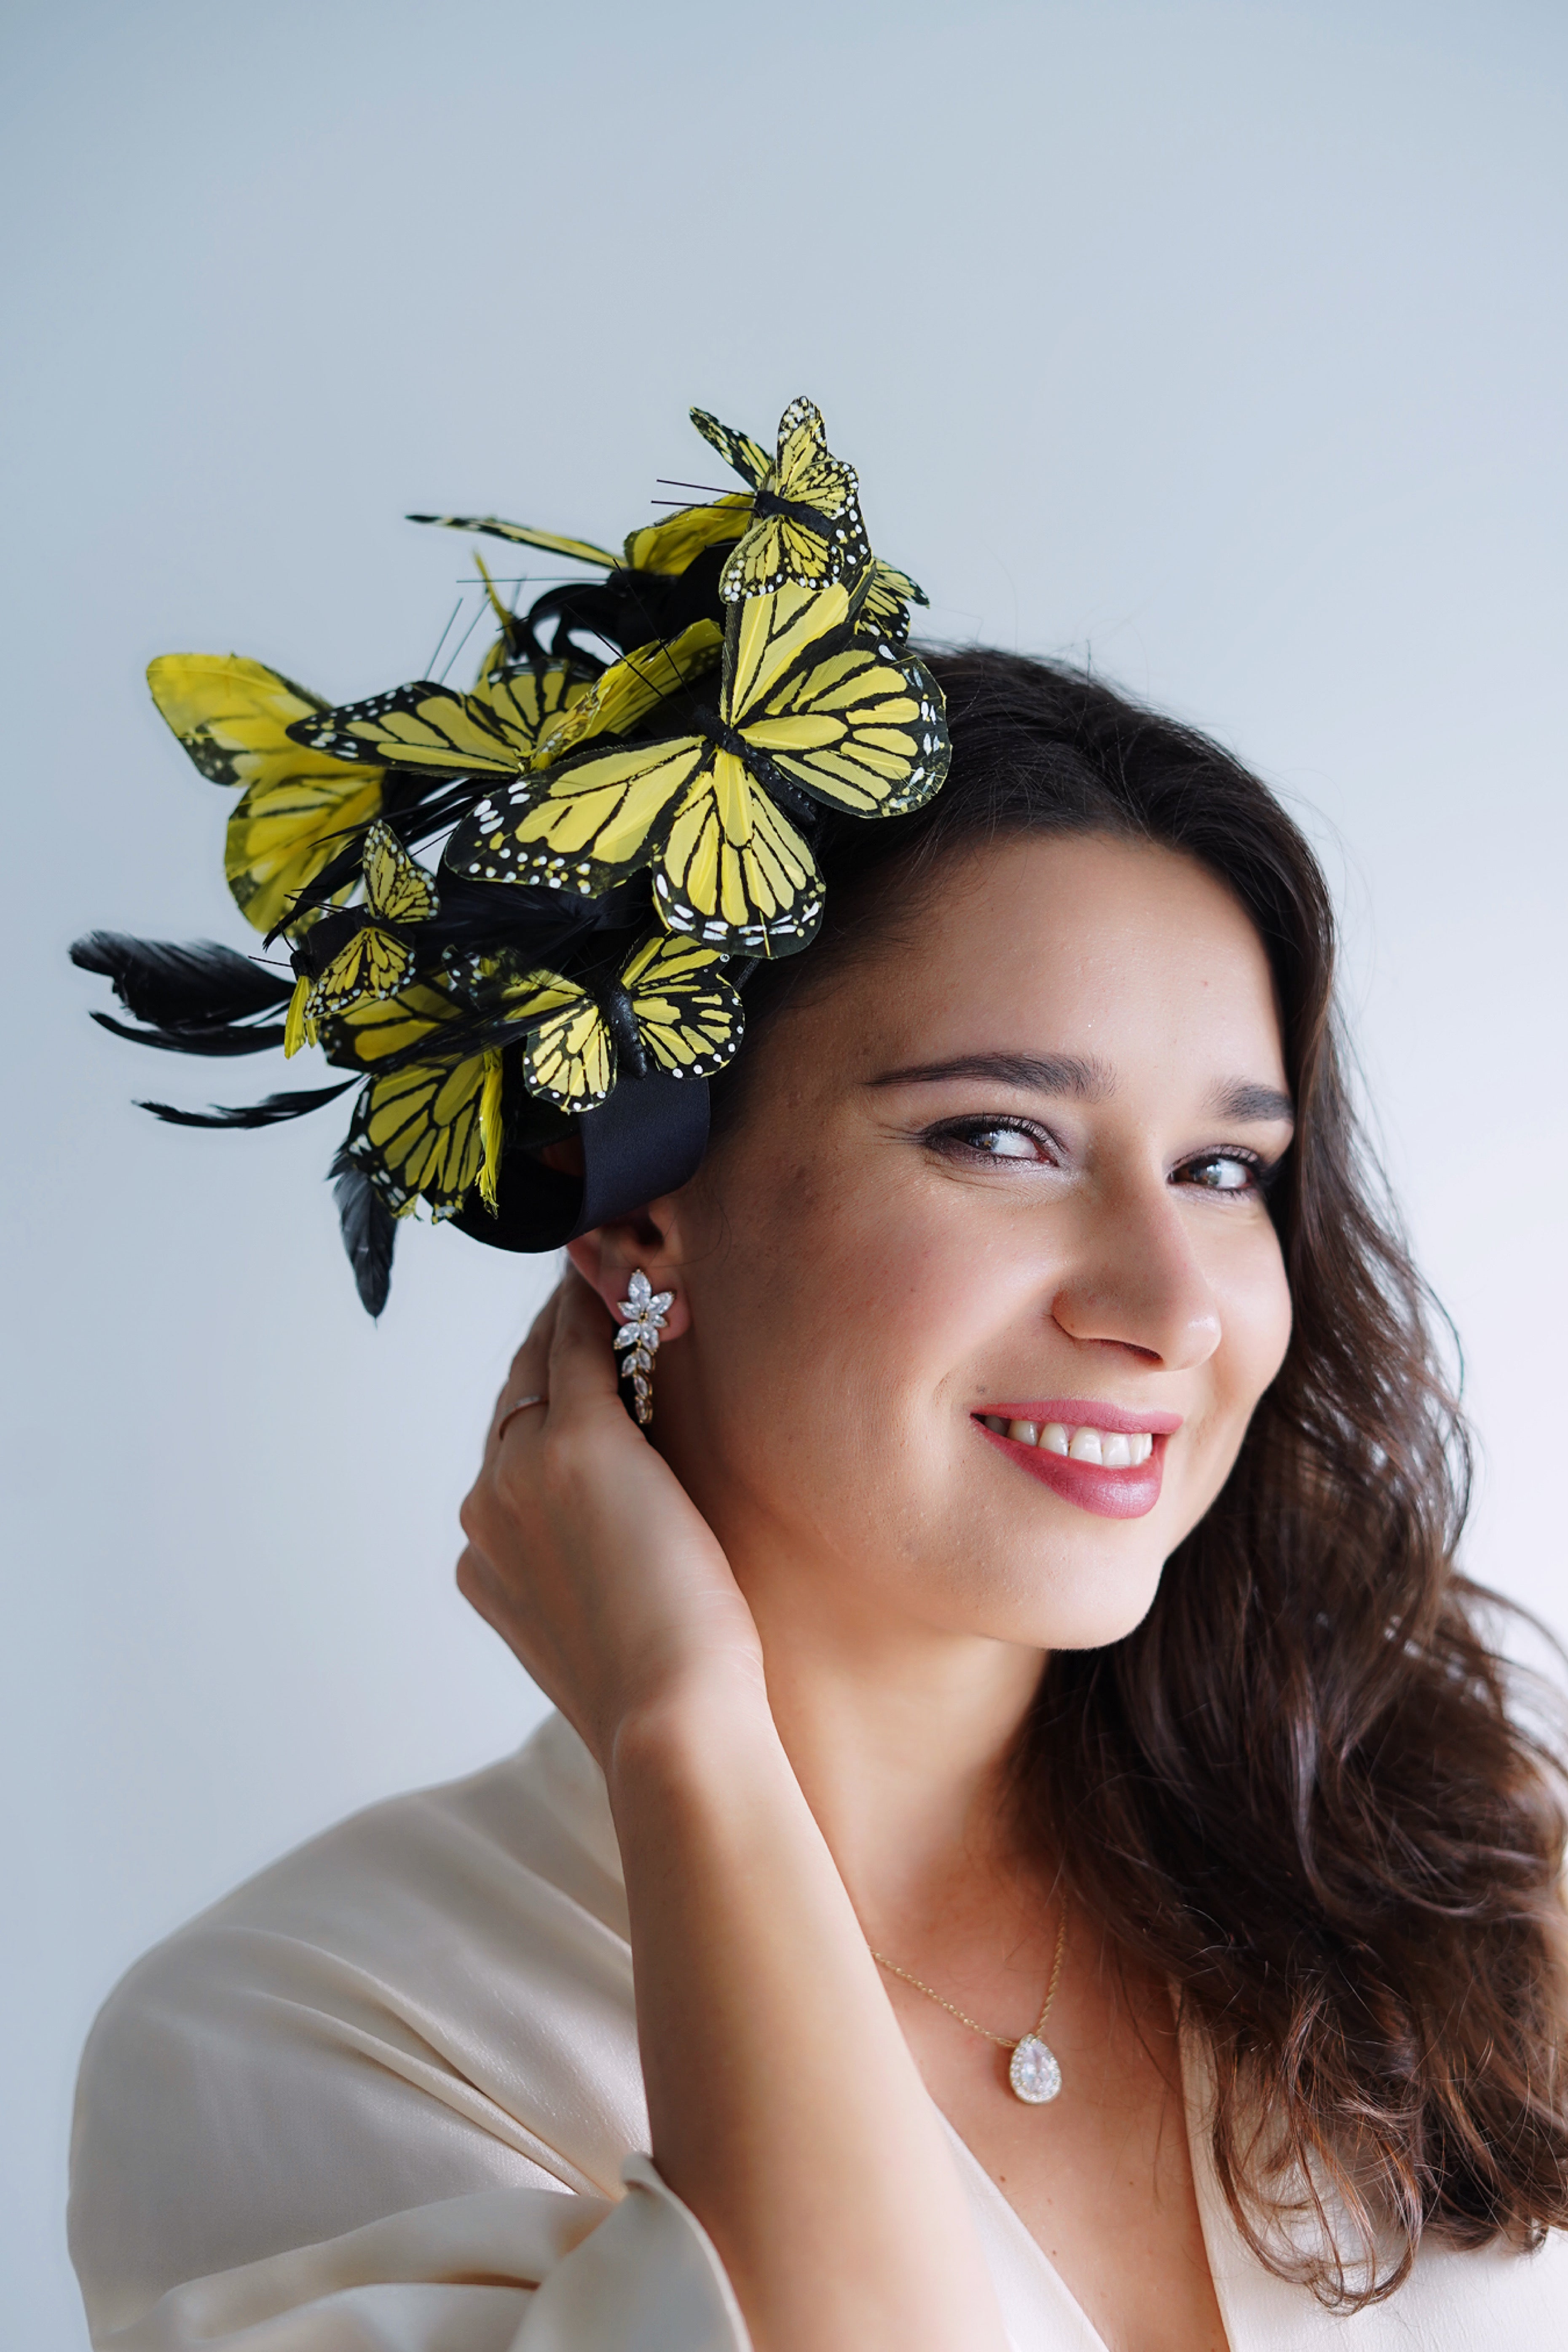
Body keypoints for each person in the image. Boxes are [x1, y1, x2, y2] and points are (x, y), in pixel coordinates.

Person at [69, 408, 1568, 2351]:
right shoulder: (298, 2034)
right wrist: (688, 1744)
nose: (1168, 1302)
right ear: (636, 1211)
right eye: (1000, 1139)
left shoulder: (1458, 1875)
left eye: (1224, 1170)